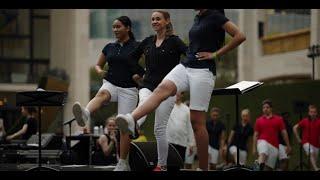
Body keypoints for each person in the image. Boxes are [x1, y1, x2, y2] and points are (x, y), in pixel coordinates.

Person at [115, 9, 246, 171]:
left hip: (203, 71)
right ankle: (130, 119)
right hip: (186, 65)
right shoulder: (198, 18)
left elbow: (240, 36)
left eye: (158, 19)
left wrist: (216, 54)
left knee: (197, 122)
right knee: (161, 89)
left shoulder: (216, 16)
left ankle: (203, 168)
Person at [114, 10, 187, 171]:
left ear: (167, 21)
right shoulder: (147, 41)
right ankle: (133, 124)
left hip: (167, 90)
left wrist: (181, 81)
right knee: (143, 108)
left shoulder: (175, 42)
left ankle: (161, 165)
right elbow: (130, 58)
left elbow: (189, 57)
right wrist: (140, 73)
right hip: (147, 85)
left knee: (159, 129)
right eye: (153, 19)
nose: (154, 21)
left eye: (158, 19)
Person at [72, 16, 144, 133]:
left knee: (124, 129)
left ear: (128, 28)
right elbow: (98, 65)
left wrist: (142, 74)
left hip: (129, 88)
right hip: (111, 82)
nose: (115, 29)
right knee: (102, 94)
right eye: (113, 27)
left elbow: (150, 62)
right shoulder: (109, 47)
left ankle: (123, 152)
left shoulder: (137, 46)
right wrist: (100, 71)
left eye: (118, 27)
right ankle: (85, 114)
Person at [252, 99, 292, 171]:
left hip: (274, 146)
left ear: (271, 108)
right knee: (263, 153)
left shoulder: (279, 119)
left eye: (267, 107)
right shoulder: (258, 120)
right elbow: (255, 135)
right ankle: (258, 164)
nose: (265, 109)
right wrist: (254, 148)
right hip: (262, 142)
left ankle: (259, 164)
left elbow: (284, 133)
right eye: (264, 108)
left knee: (268, 168)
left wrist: (288, 145)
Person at [166, 92, 194, 163]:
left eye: (179, 93)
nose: (177, 95)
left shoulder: (187, 109)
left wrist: (191, 144)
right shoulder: (168, 106)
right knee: (169, 164)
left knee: (179, 164)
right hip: (169, 141)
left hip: (182, 142)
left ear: (182, 95)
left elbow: (189, 127)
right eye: (176, 93)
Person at [293, 104, 320, 171]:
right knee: (311, 153)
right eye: (311, 112)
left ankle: (314, 168)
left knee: (313, 162)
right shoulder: (305, 120)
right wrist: (298, 139)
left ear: (316, 113)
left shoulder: (319, 121)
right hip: (306, 142)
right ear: (308, 113)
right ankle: (316, 168)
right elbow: (295, 128)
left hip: (316, 144)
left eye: (314, 112)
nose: (313, 114)